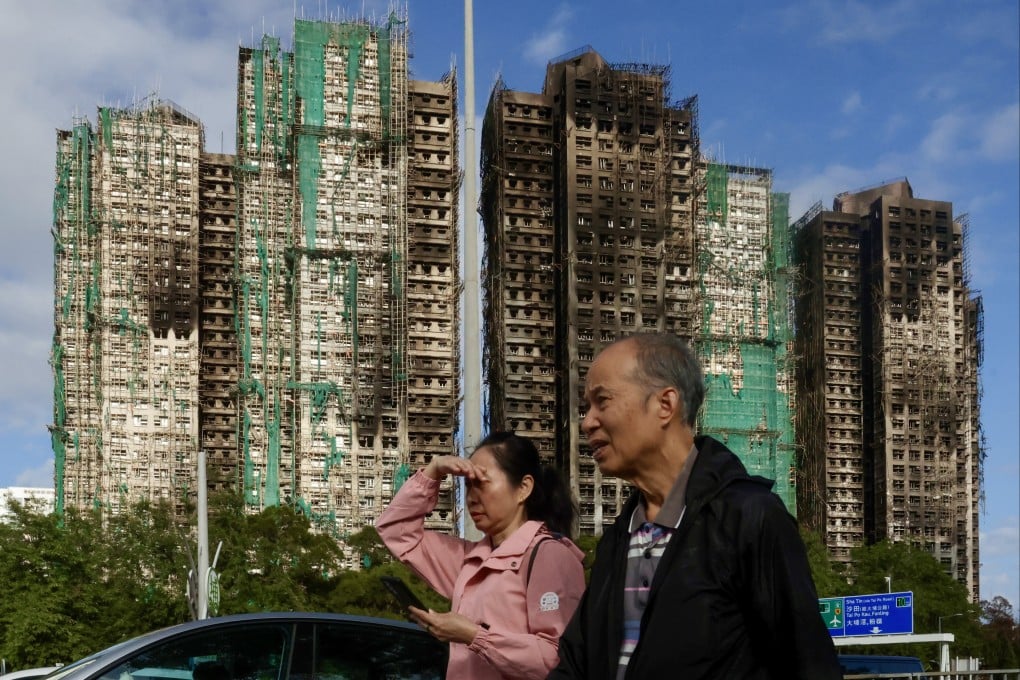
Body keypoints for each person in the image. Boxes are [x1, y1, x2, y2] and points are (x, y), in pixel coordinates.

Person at [549, 333, 842, 680]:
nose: (587, 422)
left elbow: (808, 663)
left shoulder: (750, 518)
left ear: (665, 404)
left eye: (602, 401)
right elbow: (575, 664)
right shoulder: (618, 540)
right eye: (587, 408)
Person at [377, 431, 586, 680]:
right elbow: (396, 531)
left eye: (481, 483)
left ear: (523, 488)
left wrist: (474, 636)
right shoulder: (471, 559)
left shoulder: (550, 556)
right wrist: (433, 472)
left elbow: (559, 660)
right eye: (467, 486)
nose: (472, 498)